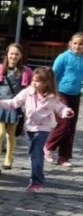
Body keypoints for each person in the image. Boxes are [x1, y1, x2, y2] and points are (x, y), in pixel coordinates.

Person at [0, 67, 74, 192]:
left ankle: (37, 182)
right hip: (29, 127)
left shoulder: (52, 97)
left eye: (37, 81)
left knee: (36, 153)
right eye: (33, 80)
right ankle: (36, 178)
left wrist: (67, 112)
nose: (34, 83)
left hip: (43, 129)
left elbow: (61, 108)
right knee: (32, 154)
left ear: (46, 83)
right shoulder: (28, 92)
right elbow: (13, 103)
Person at [0, 44, 32, 174]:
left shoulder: (26, 71)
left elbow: (32, 86)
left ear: (21, 55)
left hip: (15, 105)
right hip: (0, 103)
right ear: (7, 54)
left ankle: (8, 159)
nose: (13, 56)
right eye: (11, 53)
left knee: (10, 134)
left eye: (17, 54)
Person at [44, 32, 83, 166]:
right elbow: (53, 74)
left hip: (75, 95)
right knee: (64, 123)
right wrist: (51, 92)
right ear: (70, 43)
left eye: (81, 44)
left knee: (71, 127)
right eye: (75, 43)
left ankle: (63, 157)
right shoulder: (63, 57)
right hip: (61, 93)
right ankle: (48, 147)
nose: (78, 46)